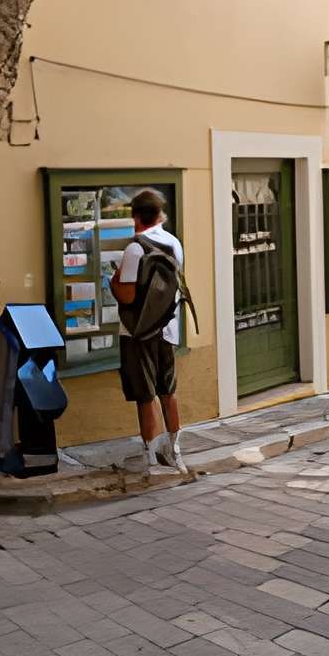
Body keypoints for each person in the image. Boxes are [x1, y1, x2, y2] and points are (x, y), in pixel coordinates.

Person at [110, 189, 187, 472]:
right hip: (167, 328)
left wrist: (113, 282)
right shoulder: (173, 243)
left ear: (135, 216)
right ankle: (174, 449)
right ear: (159, 214)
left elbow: (128, 296)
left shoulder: (135, 248)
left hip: (138, 332)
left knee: (145, 393)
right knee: (168, 389)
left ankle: (149, 454)